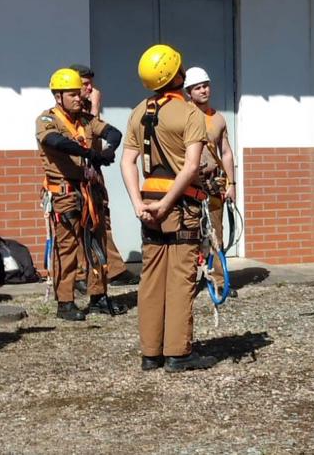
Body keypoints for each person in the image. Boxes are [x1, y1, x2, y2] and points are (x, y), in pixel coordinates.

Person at [121, 44, 217, 373]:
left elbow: (127, 161)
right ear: (177, 76)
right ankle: (178, 352)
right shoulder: (190, 113)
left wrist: (138, 202)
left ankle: (151, 353)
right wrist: (168, 202)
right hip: (181, 205)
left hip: (148, 204)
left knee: (150, 279)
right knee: (179, 279)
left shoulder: (138, 112)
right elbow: (191, 167)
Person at [35, 68, 125, 321]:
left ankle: (98, 296)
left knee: (96, 244)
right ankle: (65, 301)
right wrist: (91, 155)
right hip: (65, 191)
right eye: (72, 94)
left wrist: (107, 150)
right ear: (58, 96)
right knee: (68, 247)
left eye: (79, 93)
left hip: (90, 191)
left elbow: (113, 133)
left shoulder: (86, 120)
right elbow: (56, 142)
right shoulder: (47, 120)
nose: (78, 98)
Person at [69, 63, 138, 289]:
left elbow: (100, 140)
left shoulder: (88, 113)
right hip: (75, 177)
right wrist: (95, 106)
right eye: (85, 84)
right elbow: (87, 142)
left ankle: (111, 269)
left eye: (91, 84)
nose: (90, 89)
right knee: (79, 224)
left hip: (93, 175)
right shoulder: (69, 115)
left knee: (101, 219)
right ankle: (82, 275)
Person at [183, 66, 237, 297]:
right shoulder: (182, 116)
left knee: (215, 232)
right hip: (189, 183)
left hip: (213, 184)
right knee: (188, 232)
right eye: (198, 87)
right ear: (188, 92)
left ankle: (217, 279)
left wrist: (231, 184)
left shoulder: (218, 119)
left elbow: (225, 152)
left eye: (206, 85)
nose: (204, 90)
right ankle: (188, 280)